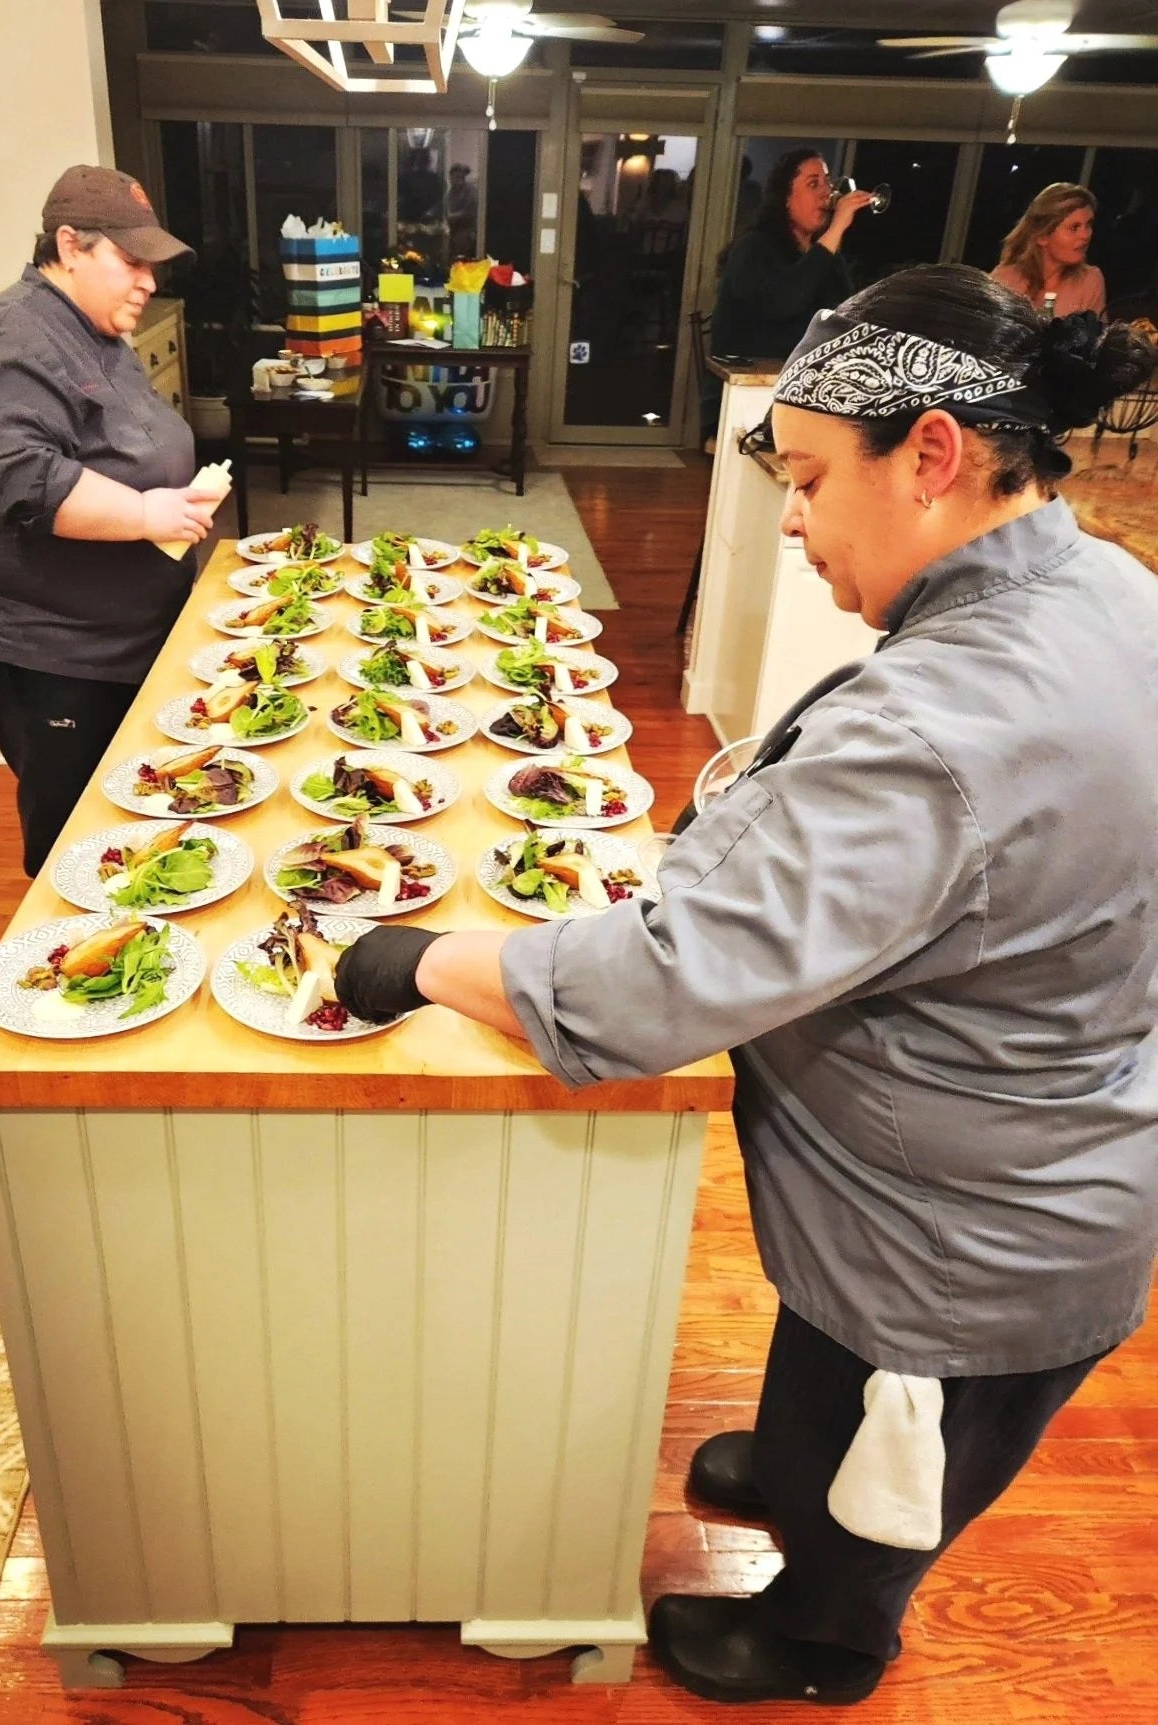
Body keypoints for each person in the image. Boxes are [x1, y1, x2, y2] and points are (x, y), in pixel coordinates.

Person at [332, 264, 1158, 1705]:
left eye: (811, 477)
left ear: (937, 456)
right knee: (822, 1375)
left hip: (975, 1223)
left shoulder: (948, 724)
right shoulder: (1103, 581)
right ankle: (787, 1469)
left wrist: (422, 957)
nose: (789, 518)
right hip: (975, 1129)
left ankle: (821, 1642)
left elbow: (657, 989)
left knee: (899, 1464)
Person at [0, 166, 223, 877]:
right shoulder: (9, 334)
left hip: (124, 633)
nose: (148, 282)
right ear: (69, 245)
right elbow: (12, 476)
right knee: (78, 840)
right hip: (54, 648)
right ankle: (62, 965)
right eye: (131, 262)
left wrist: (169, 499)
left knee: (137, 814)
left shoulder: (95, 332)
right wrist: (141, 510)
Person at [709, 148, 874, 362]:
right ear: (785, 197)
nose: (827, 193)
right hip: (747, 384)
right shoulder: (754, 247)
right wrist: (836, 228)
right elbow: (784, 302)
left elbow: (843, 315)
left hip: (805, 380)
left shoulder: (825, 254)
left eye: (827, 183)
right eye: (814, 184)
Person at [991, 182, 1106, 315]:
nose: (1086, 235)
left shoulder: (1090, 281)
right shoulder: (1004, 279)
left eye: (1088, 224)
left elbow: (1095, 334)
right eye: (1074, 227)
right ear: (1042, 237)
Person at [445, 162, 479, 259]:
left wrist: (453, 216)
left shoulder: (470, 191)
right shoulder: (451, 192)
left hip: (467, 233)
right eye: (452, 178)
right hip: (454, 232)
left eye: (457, 177)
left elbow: (471, 212)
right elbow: (443, 206)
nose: (454, 180)